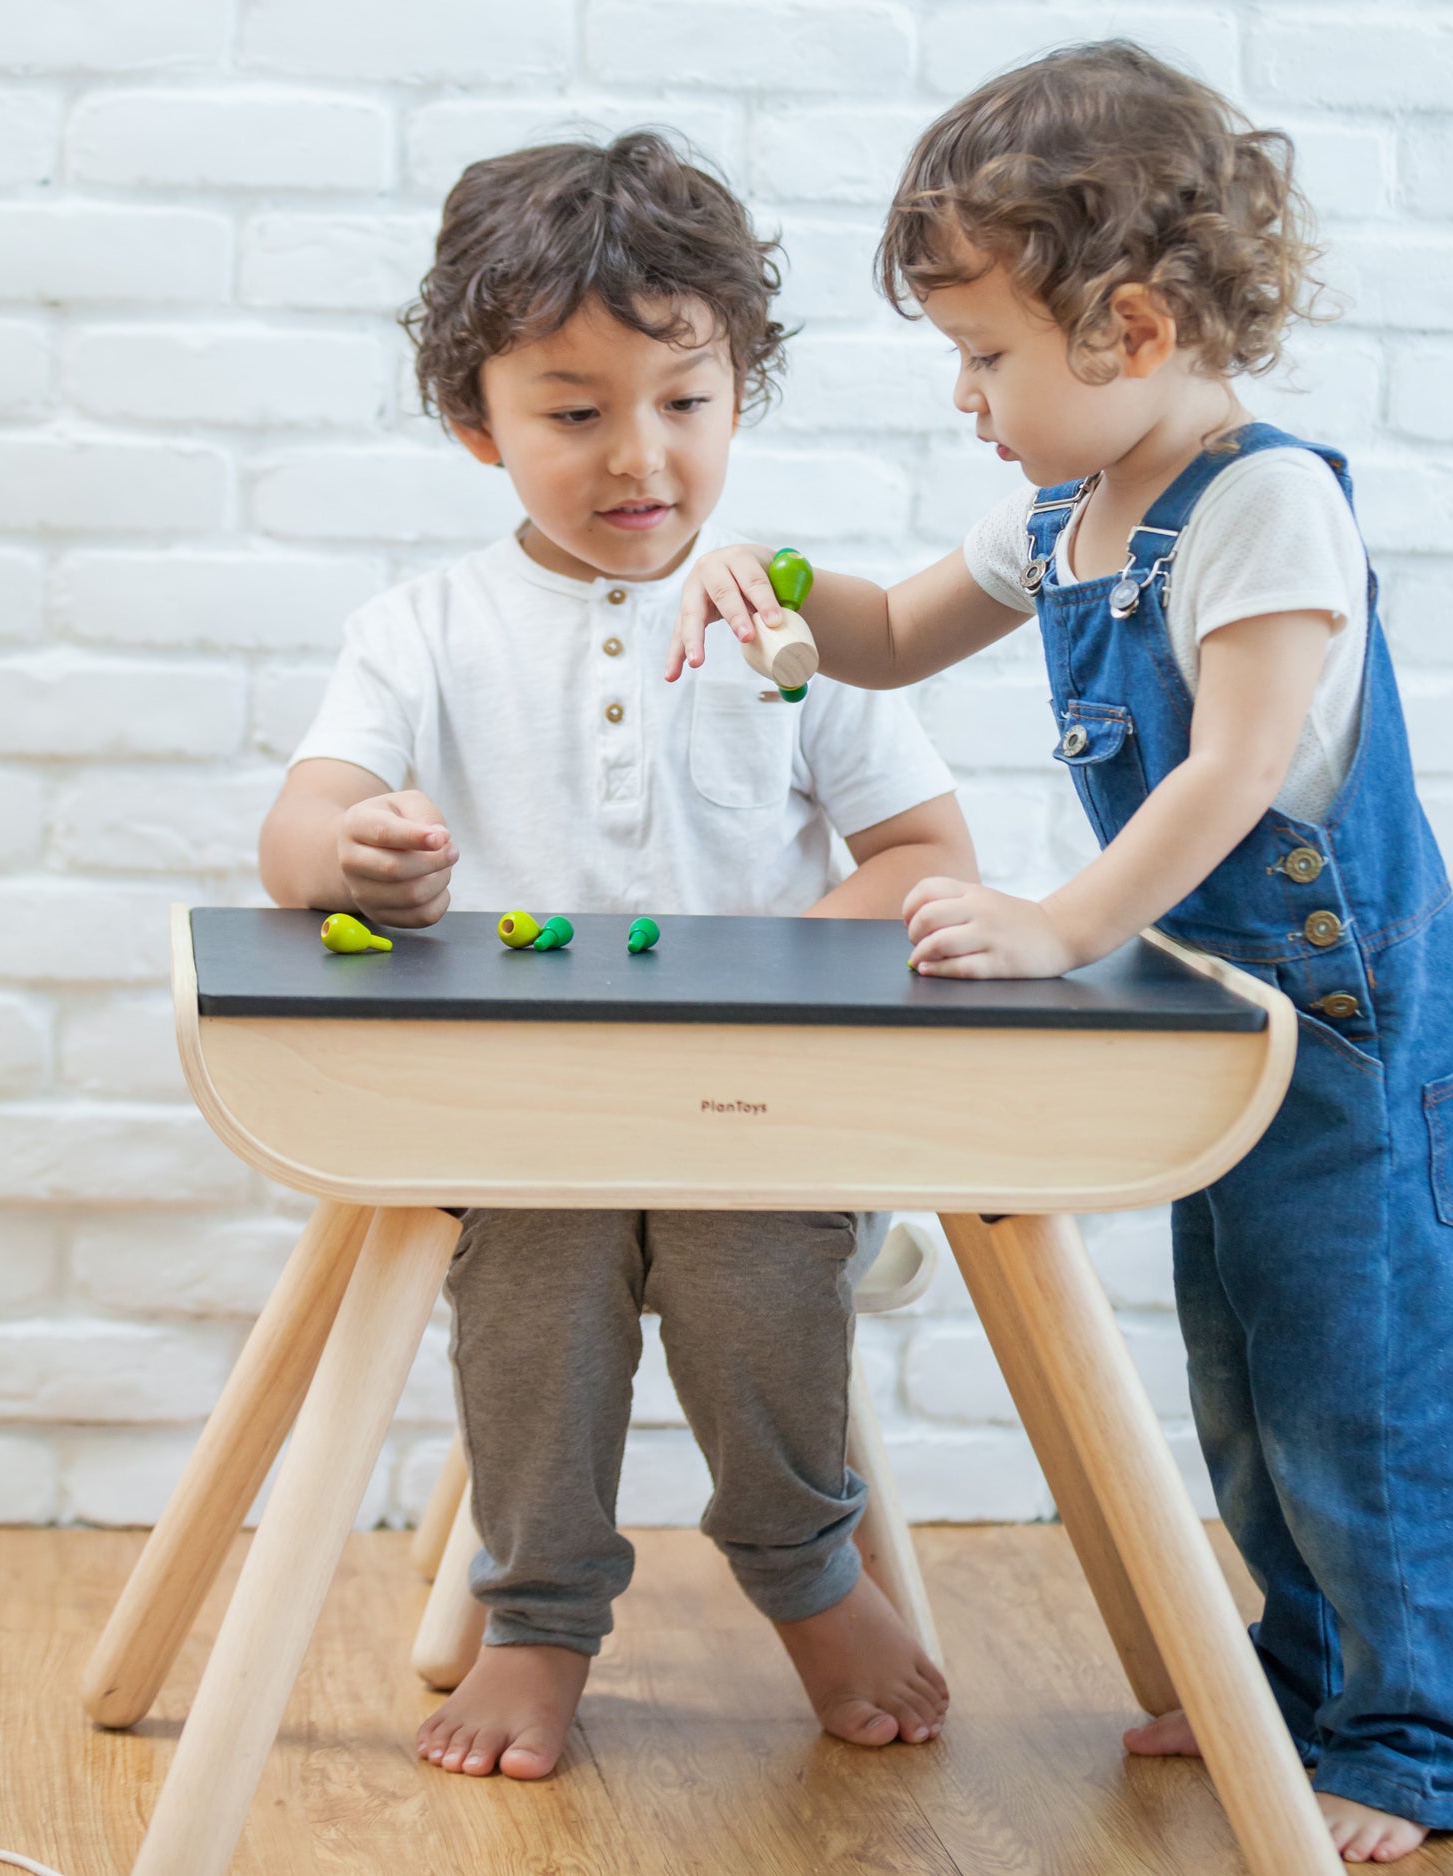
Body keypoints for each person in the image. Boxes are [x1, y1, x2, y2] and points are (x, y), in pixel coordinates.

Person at [668, 45, 1453, 1864]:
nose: (966, 398)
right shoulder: (1064, 514)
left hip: (1370, 1054)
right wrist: (767, 572)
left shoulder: (1268, 508)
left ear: (1127, 327)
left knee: (1360, 1410)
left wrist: (1058, 923)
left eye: (983, 356)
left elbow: (1228, 768)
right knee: (1246, 1392)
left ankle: (1410, 1749)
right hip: (1240, 1043)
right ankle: (1287, 1697)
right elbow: (886, 635)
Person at [260, 131, 968, 1781]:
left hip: (759, 1118)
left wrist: (776, 975)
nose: (636, 453)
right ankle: (538, 1616)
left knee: (751, 1277)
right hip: (529, 1121)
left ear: (738, 396)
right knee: (534, 1289)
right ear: (475, 422)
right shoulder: (422, 631)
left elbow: (928, 860)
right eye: (573, 412)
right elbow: (299, 830)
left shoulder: (802, 624)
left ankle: (806, 1572)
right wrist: (347, 856)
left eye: (684, 400)